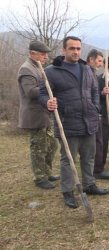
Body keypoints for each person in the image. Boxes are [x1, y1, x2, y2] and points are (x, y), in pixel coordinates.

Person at [40, 36, 109, 209]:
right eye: (72, 48)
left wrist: (95, 107)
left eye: (78, 48)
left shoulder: (86, 69)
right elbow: (42, 93)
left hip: (89, 121)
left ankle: (89, 184)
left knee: (89, 156)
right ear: (64, 50)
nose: (76, 51)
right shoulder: (52, 71)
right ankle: (68, 191)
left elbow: (94, 90)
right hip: (68, 122)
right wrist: (47, 102)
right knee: (68, 159)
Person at [18, 40, 58, 189]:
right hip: (34, 115)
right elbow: (30, 92)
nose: (46, 56)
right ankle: (40, 177)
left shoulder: (39, 68)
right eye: (42, 53)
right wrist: (50, 89)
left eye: (46, 54)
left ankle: (47, 172)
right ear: (32, 53)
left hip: (45, 113)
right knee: (38, 147)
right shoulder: (26, 69)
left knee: (52, 145)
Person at [86, 49, 109, 180]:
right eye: (99, 61)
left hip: (95, 112)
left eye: (102, 61)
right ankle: (96, 170)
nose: (101, 63)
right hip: (90, 114)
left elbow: (94, 93)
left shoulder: (92, 73)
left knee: (98, 142)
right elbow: (86, 95)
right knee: (95, 143)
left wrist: (102, 93)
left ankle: (97, 168)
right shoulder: (87, 73)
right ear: (91, 60)